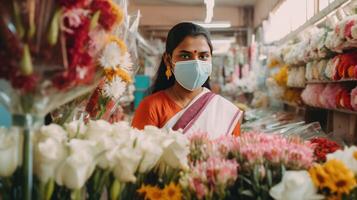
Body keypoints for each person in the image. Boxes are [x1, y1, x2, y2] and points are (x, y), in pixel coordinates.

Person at [132, 22, 242, 139]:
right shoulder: (151, 107)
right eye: (185, 56)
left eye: (203, 56)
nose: (196, 64)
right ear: (168, 60)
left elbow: (231, 155)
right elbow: (140, 154)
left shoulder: (224, 111)